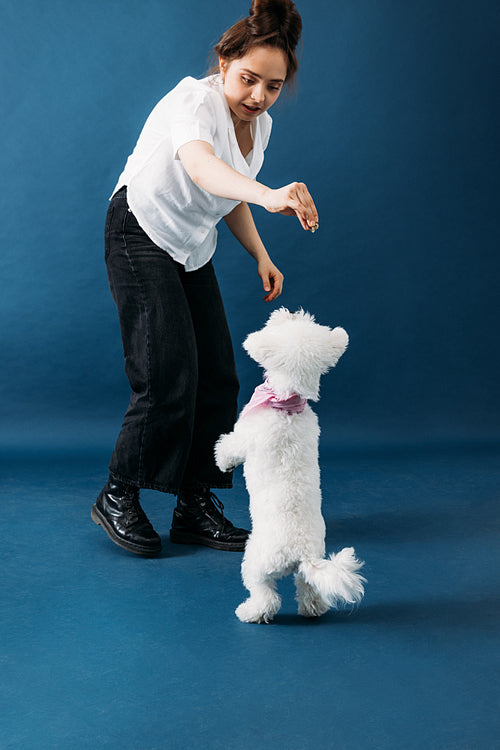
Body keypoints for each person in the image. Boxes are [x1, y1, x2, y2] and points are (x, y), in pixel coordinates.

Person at [91, 0, 319, 557]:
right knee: (167, 372)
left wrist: (260, 254)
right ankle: (118, 493)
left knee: (219, 376)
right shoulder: (191, 102)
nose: (258, 96)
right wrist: (269, 196)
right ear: (224, 63)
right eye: (248, 80)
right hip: (140, 231)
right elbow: (200, 167)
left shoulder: (258, 127)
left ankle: (195, 505)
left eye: (272, 86)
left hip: (190, 246)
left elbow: (227, 193)